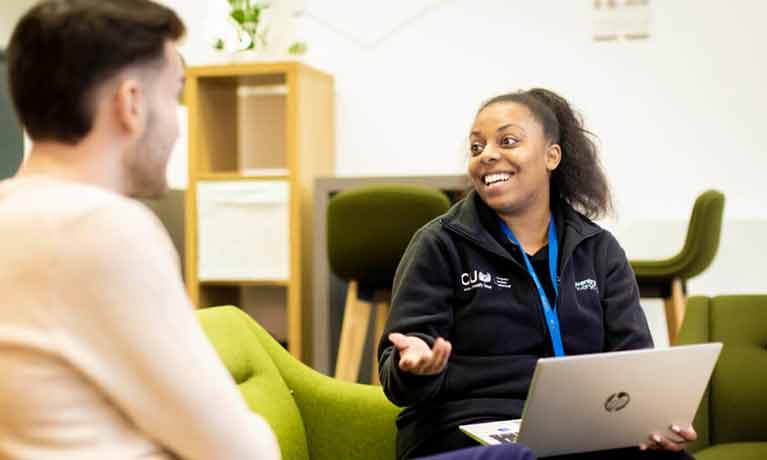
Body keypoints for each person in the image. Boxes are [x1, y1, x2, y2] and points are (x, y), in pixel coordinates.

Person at [0, 1, 280, 459]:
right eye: (174, 96)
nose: (176, 125)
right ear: (130, 103)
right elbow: (243, 452)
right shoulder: (102, 229)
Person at [377, 88, 697, 460]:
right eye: (476, 147)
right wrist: (415, 368)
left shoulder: (599, 249)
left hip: (578, 431)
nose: (488, 155)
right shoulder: (440, 243)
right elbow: (398, 379)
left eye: (508, 141)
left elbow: (634, 364)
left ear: (551, 156)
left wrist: (654, 420)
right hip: (460, 431)